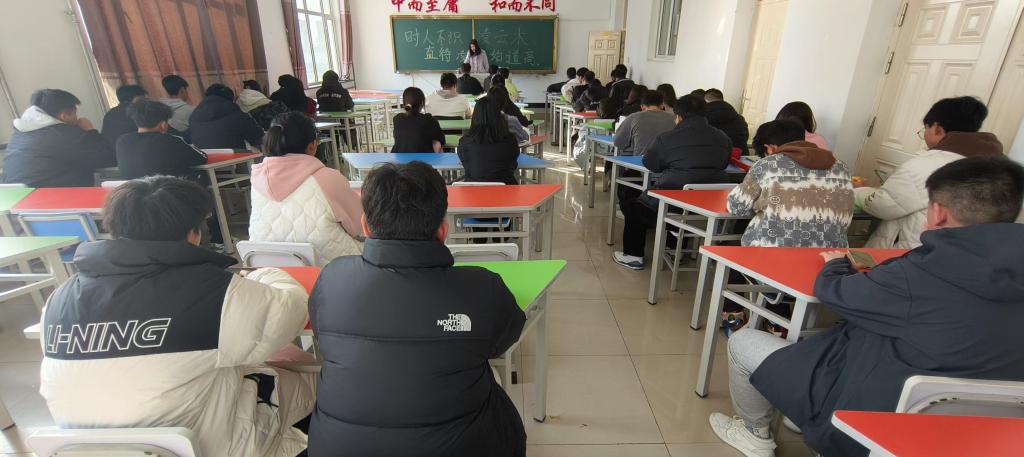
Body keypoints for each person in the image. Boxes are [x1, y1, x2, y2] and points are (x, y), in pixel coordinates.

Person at [710, 156, 1024, 457]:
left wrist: (834, 265)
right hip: (984, 434)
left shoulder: (918, 274)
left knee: (743, 343)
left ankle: (754, 435)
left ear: (938, 212)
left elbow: (833, 292)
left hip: (878, 420)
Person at [39, 176, 315, 457]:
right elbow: (290, 310)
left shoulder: (59, 299)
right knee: (311, 376)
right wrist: (267, 275)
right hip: (201, 448)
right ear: (193, 232)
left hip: (86, 450)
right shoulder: (213, 292)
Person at [307, 161, 527, 457]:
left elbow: (322, 336)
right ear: (443, 230)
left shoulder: (331, 279)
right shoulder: (482, 287)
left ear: (366, 226)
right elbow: (505, 338)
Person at [856, 96, 1003, 249]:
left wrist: (857, 193)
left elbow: (883, 205)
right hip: (956, 252)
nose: (924, 134)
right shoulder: (998, 167)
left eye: (925, 128)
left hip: (910, 252)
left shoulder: (926, 165)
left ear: (937, 128)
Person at [613, 94, 731, 270]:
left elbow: (651, 164)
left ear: (678, 117)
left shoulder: (667, 138)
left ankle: (633, 256)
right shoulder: (722, 137)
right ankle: (674, 250)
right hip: (711, 208)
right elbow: (723, 163)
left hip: (673, 207)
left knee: (633, 207)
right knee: (683, 198)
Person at [250, 112, 363, 264]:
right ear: (312, 146)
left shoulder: (257, 179)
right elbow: (359, 226)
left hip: (268, 266)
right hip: (328, 267)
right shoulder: (327, 178)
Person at [728, 119, 853, 247]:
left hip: (772, 249)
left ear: (770, 148)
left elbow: (737, 207)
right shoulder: (842, 168)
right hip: (832, 252)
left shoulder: (767, 164)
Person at [2, 89, 115, 187]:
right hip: (55, 200)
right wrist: (90, 130)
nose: (77, 118)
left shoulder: (19, 133)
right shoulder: (65, 133)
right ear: (64, 116)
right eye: (75, 114)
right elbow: (108, 159)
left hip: (15, 200)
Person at [116, 99, 207, 181]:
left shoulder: (122, 141)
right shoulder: (168, 140)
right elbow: (202, 158)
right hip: (169, 191)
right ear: (163, 124)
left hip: (134, 192)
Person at [189, 83, 265, 150]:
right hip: (237, 158)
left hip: (206, 159)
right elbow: (258, 137)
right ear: (230, 99)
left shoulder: (193, 116)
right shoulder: (235, 114)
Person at [613, 90, 675, 156]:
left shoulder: (634, 117)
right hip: (670, 161)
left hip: (640, 161)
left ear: (642, 107)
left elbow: (617, 142)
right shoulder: (674, 118)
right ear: (662, 105)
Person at [392, 87, 445, 152]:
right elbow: (441, 139)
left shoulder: (397, 119)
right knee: (437, 143)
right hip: (423, 158)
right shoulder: (428, 119)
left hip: (399, 157)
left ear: (404, 103)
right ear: (422, 103)